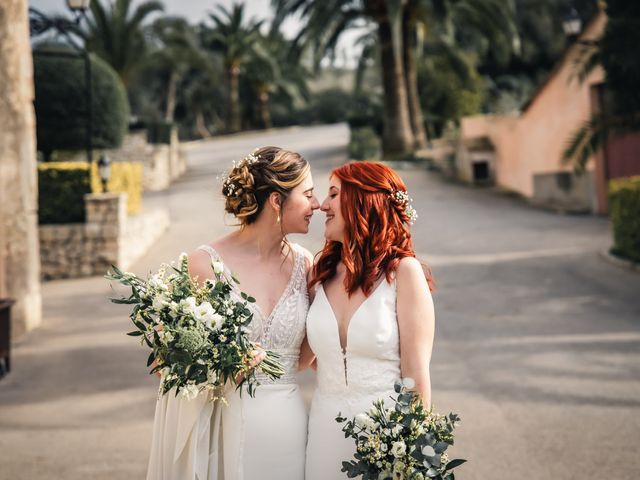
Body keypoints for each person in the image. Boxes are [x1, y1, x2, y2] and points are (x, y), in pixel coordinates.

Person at [146, 146, 319, 480]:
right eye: (308, 195)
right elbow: (165, 363)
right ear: (276, 201)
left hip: (288, 425)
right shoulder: (206, 263)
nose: (316, 205)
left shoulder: (305, 264)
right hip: (224, 425)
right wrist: (223, 366)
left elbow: (303, 359)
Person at [304, 161, 435, 480]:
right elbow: (313, 356)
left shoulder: (404, 273)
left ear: (363, 201)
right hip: (325, 432)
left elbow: (416, 377)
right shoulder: (318, 276)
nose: (322, 205)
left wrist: (411, 456)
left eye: (334, 194)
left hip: (386, 437)